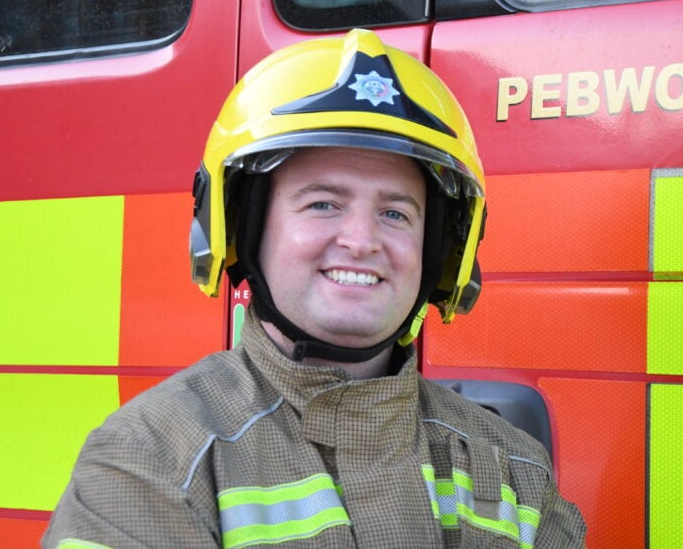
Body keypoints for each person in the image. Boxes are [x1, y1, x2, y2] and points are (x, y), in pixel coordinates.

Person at [43, 29, 587, 547]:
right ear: (247, 228)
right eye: (323, 203)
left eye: (396, 213)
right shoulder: (147, 461)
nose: (361, 241)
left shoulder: (515, 472)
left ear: (439, 250)